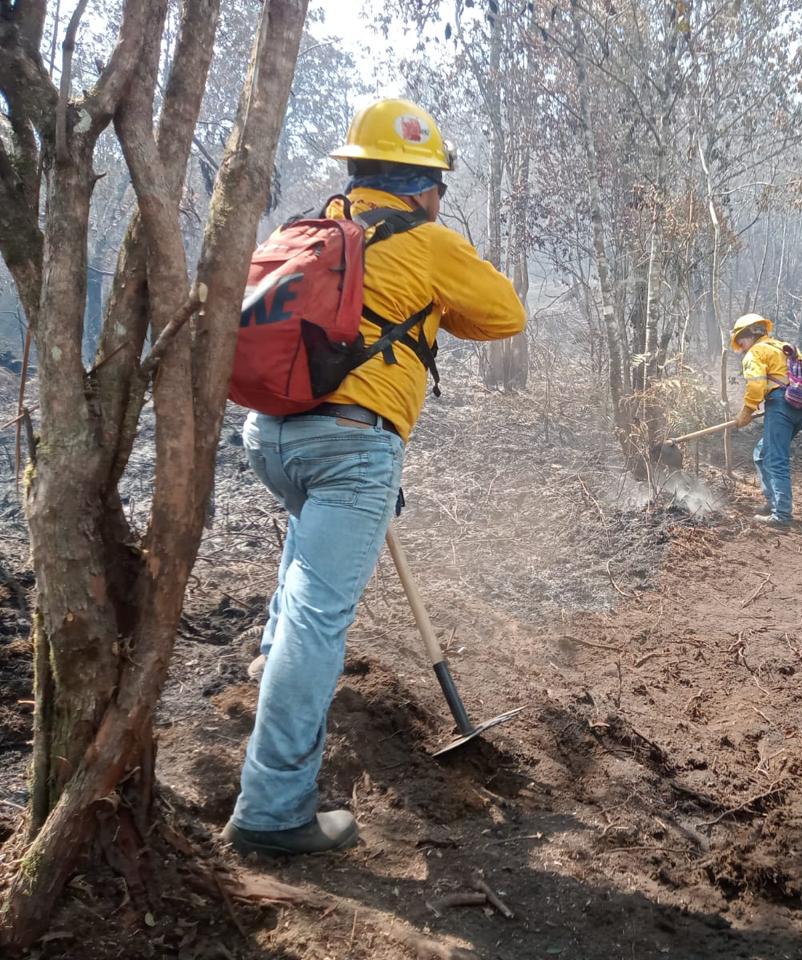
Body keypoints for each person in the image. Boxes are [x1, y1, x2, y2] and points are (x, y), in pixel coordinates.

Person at [224, 99, 526, 857]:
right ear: (425, 186)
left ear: (355, 172)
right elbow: (505, 315)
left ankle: (267, 665)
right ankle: (273, 810)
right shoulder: (426, 242)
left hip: (266, 435)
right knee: (318, 620)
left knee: (304, 563)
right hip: (351, 446)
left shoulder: (308, 229)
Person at [731, 313, 802, 525]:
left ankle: (781, 514)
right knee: (762, 453)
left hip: (781, 405)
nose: (742, 347)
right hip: (800, 408)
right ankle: (773, 501)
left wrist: (746, 412)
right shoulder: (784, 347)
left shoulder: (755, 352)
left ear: (747, 336)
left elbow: (756, 386)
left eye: (741, 341)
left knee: (775, 460)